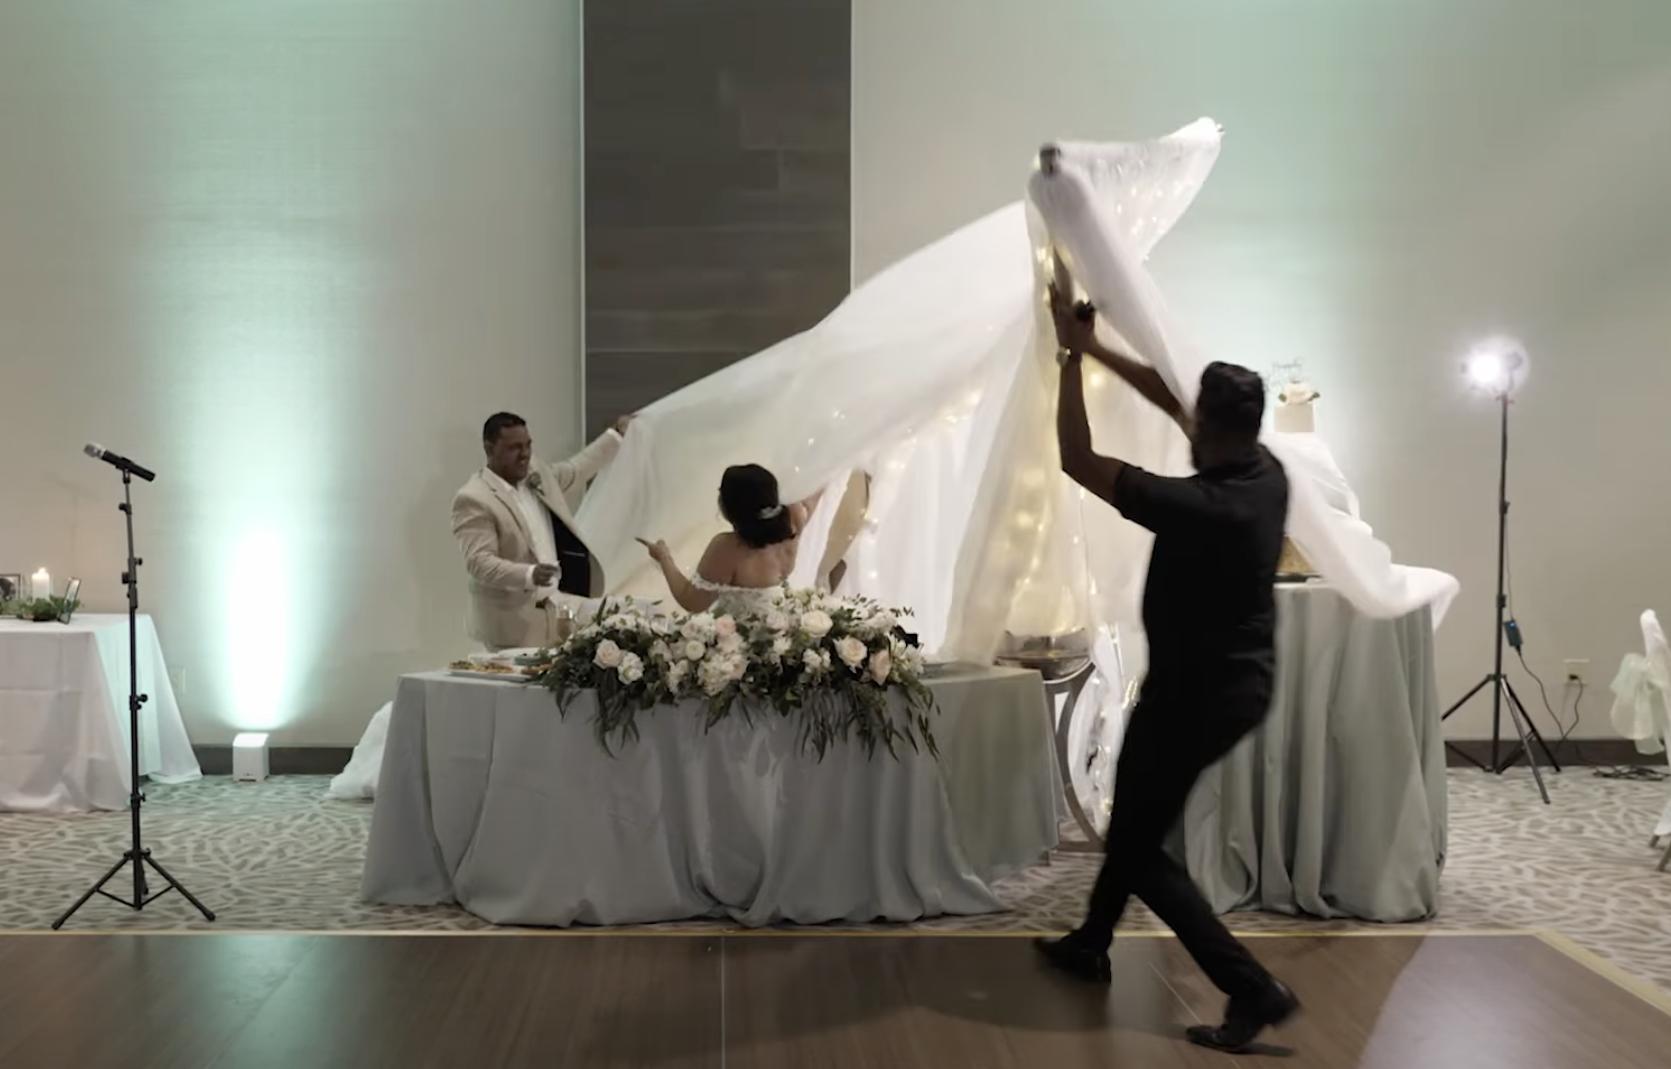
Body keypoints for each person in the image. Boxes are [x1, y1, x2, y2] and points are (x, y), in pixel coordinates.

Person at [1035, 287, 1299, 1054]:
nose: (1183, 424)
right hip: (1233, 684)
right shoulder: (1265, 469)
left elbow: (1076, 459)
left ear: (1209, 429)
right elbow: (1171, 398)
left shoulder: (1198, 504)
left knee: (1137, 849)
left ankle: (1251, 988)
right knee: (1138, 817)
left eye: (1194, 421)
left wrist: (1069, 359)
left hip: (1195, 696)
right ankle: (1090, 940)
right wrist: (1095, 345)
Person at [452, 411, 632, 650]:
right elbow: (480, 563)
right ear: (489, 449)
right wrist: (529, 574)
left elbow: (576, 470)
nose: (525, 454)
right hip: (511, 626)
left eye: (528, 445)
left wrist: (616, 435)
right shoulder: (474, 498)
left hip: (555, 612)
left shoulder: (536, 472)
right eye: (514, 448)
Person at [638, 463, 820, 616]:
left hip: (743, 638)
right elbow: (813, 495)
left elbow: (692, 601)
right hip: (783, 625)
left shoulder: (728, 547)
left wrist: (664, 557)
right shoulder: (794, 522)